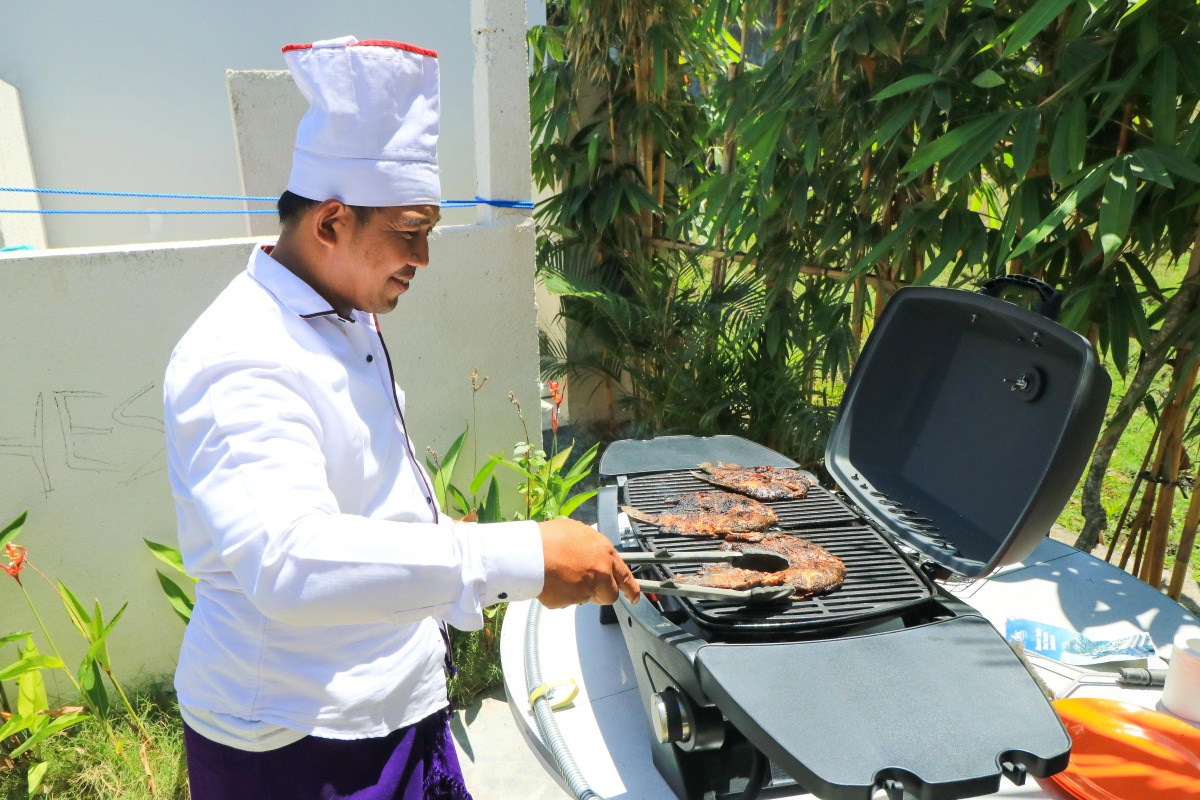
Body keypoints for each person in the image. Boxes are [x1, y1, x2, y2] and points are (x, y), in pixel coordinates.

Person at [163, 36, 640, 800]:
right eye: (410, 232)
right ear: (331, 222)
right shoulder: (240, 355)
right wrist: (524, 556)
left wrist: (439, 532)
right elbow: (290, 561)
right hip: (297, 743)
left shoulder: (343, 315)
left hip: (395, 701)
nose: (423, 257)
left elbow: (359, 489)